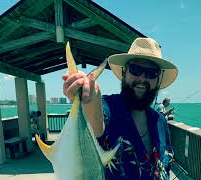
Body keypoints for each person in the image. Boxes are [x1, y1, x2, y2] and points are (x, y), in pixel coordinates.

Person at [63, 37, 178, 179]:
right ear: (124, 72)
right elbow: (96, 122)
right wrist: (89, 98)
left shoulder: (160, 121)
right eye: (136, 69)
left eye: (151, 73)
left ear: (158, 79)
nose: (142, 78)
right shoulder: (109, 107)